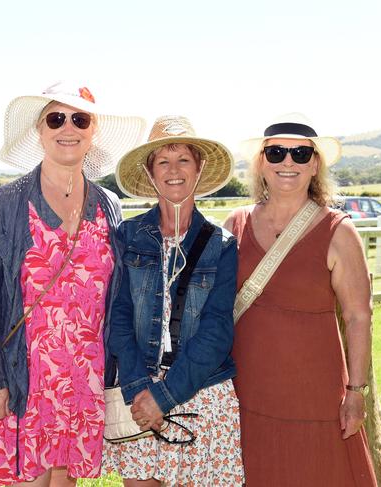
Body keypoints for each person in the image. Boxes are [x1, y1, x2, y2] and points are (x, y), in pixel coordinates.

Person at [0, 81, 145, 487]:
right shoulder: (7, 202)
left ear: (92, 130)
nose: (68, 127)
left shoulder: (108, 205)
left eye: (79, 119)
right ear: (40, 130)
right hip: (22, 379)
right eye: (56, 118)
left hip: (84, 380)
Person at [223, 113, 377, 486]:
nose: (287, 162)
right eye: (275, 153)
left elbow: (359, 317)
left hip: (316, 394)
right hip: (246, 391)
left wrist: (356, 392)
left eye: (300, 154)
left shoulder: (338, 231)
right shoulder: (234, 225)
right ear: (261, 164)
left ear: (314, 166)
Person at [103, 116, 245, 486]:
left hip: (202, 392)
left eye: (183, 159)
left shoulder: (222, 245)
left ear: (198, 170)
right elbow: (118, 317)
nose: (174, 170)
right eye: (163, 161)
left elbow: (216, 331)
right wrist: (139, 391)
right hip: (138, 394)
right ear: (151, 174)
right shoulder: (128, 235)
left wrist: (164, 397)